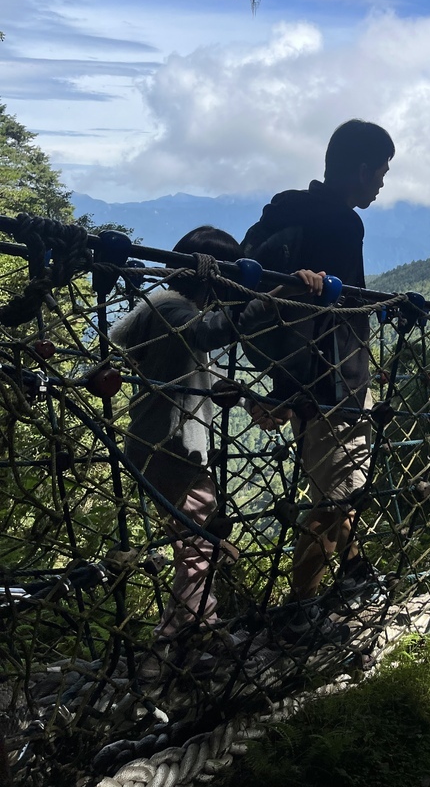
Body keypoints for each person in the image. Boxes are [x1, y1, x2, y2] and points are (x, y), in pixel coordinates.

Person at [111, 225, 324, 655]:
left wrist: (248, 400)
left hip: (162, 446)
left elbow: (193, 375)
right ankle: (189, 638)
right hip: (171, 448)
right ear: (210, 275)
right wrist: (274, 294)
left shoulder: (162, 309)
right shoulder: (172, 313)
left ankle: (191, 629)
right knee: (197, 547)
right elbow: (208, 334)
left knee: (198, 543)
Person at [241, 119, 395, 634]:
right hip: (335, 384)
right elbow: (337, 313)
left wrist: (284, 389)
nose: (381, 183)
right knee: (335, 495)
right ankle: (299, 608)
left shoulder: (288, 210)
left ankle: (352, 570)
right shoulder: (341, 224)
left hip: (300, 380)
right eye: (380, 172)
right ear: (359, 170)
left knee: (334, 485)